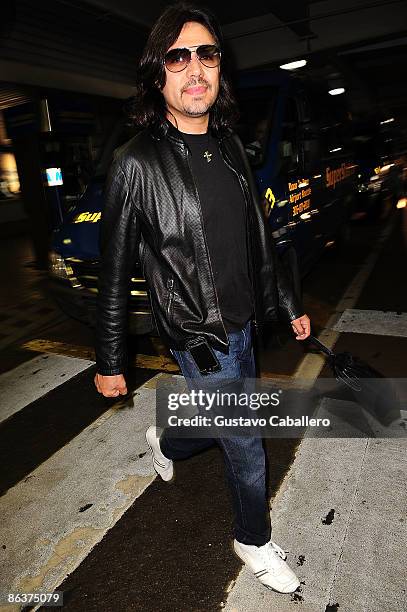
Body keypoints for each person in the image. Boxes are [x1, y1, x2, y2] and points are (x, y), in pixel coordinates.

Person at [94, 2, 311, 595]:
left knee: (219, 422)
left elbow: (259, 239)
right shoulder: (135, 164)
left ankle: (166, 437)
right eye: (179, 56)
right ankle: (252, 538)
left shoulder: (232, 146)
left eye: (207, 55)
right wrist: (111, 360)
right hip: (198, 335)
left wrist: (287, 304)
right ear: (157, 73)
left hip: (244, 324)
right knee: (247, 442)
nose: (196, 69)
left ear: (220, 68)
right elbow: (114, 271)